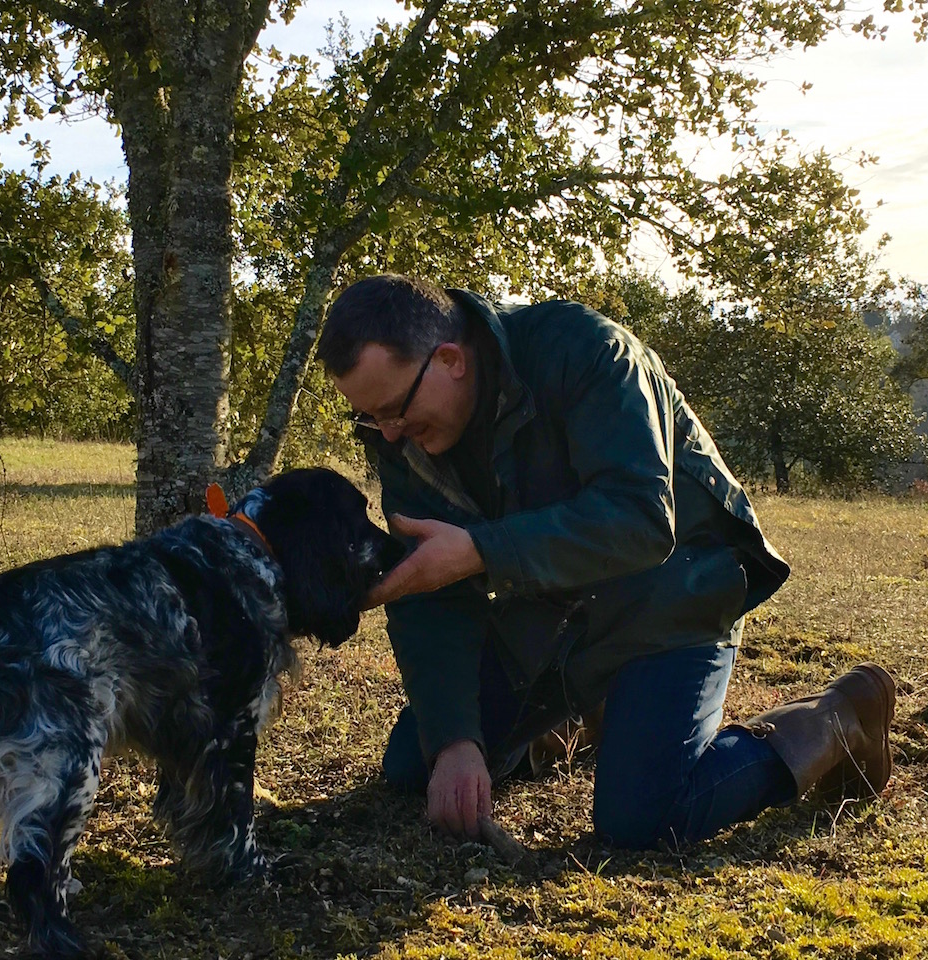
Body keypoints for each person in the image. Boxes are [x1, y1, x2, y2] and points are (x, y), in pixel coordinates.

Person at [315, 274, 896, 849]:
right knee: (416, 765)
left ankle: (837, 720)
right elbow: (430, 594)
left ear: (449, 359)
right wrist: (454, 743)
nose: (388, 435)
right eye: (370, 418)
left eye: (394, 410)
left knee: (643, 820)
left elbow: (641, 520)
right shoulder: (403, 436)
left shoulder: (586, 349)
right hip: (552, 611)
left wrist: (481, 551)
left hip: (675, 594)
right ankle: (576, 719)